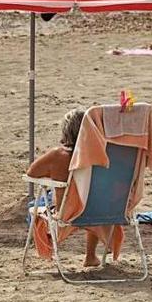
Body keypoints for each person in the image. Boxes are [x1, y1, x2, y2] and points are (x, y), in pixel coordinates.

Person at [26, 108, 104, 267]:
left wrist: (54, 173)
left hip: (67, 214)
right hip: (103, 212)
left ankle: (48, 250)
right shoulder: (102, 155)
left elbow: (32, 173)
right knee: (92, 200)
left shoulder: (58, 155)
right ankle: (90, 256)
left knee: (35, 207)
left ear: (66, 131)